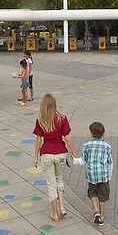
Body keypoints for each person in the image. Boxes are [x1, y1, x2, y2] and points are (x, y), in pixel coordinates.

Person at [32, 94, 78, 222]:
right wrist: (73, 150)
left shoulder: (40, 120)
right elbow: (67, 137)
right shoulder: (62, 118)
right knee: (59, 179)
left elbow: (38, 140)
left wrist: (35, 156)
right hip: (60, 154)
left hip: (46, 154)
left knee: (51, 184)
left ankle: (54, 213)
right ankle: (62, 207)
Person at [82, 121, 113, 226]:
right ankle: (102, 216)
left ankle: (96, 211)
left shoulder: (87, 145)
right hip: (103, 175)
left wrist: (75, 160)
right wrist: (109, 176)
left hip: (92, 175)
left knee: (92, 193)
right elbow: (110, 162)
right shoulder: (107, 146)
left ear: (91, 133)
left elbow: (84, 160)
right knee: (102, 196)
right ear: (103, 133)